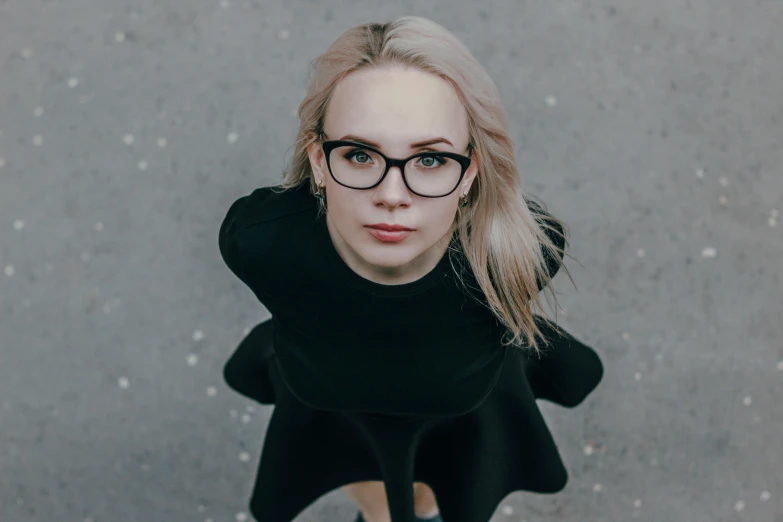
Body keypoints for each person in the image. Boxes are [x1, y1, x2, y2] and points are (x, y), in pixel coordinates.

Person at [219, 16, 603, 522]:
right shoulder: (262, 242)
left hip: (462, 419)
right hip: (334, 417)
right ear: (318, 161)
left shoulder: (517, 252)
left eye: (429, 160)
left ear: (469, 172)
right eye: (359, 154)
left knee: (443, 496)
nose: (392, 196)